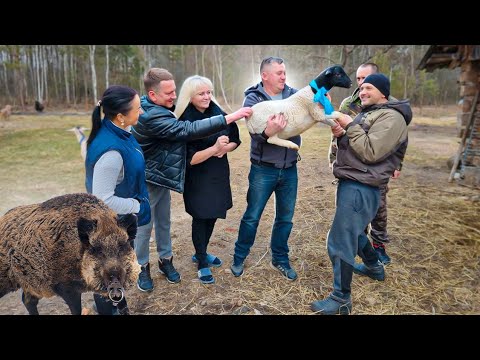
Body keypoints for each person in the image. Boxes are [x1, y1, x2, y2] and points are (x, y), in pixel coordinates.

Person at [132, 68, 252, 291]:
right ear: (152, 94)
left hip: (162, 175)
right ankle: (142, 267)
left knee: (164, 222)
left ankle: (165, 261)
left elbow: (234, 137)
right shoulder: (150, 115)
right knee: (144, 226)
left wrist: (225, 147)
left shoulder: (160, 108)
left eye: (174, 91)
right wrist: (227, 122)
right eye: (168, 92)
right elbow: (187, 130)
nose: (173, 96)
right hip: (147, 178)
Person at [311, 73, 412, 315]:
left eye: (368, 87)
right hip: (352, 180)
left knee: (340, 238)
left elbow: (371, 151)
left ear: (383, 93)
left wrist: (350, 125)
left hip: (363, 185)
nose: (362, 91)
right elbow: (358, 143)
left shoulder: (392, 117)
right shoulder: (371, 113)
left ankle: (341, 299)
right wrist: (341, 135)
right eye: (361, 88)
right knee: (354, 233)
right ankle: (374, 266)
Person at [230, 56, 300, 281]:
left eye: (284, 72)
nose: (283, 76)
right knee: (252, 216)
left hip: (290, 168)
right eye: (279, 72)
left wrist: (322, 101)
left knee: (285, 218)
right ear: (264, 75)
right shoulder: (253, 98)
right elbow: (254, 134)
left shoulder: (294, 95)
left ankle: (280, 258)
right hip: (263, 170)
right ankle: (239, 256)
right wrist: (268, 133)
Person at [85, 85, 151, 315]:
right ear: (121, 116)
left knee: (114, 272)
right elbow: (102, 199)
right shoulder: (111, 153)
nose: (141, 112)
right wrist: (136, 206)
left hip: (119, 222)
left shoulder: (118, 131)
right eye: (138, 108)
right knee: (110, 272)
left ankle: (116, 306)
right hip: (113, 227)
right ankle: (109, 310)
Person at [329, 62, 400, 265]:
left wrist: (397, 164)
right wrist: (335, 153)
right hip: (349, 164)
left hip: (376, 165)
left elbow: (396, 137)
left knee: (378, 207)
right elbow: (338, 131)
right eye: (359, 79)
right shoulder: (347, 104)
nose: (361, 83)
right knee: (349, 208)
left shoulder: (389, 105)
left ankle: (378, 245)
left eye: (366, 79)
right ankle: (356, 243)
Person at [174, 75, 241, 284]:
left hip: (218, 174)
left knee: (212, 215)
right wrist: (215, 149)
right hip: (197, 178)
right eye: (201, 93)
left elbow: (236, 139)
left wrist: (225, 148)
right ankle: (202, 261)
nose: (207, 96)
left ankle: (200, 251)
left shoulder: (218, 112)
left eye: (209, 92)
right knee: (200, 217)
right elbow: (190, 159)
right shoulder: (184, 120)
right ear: (190, 96)